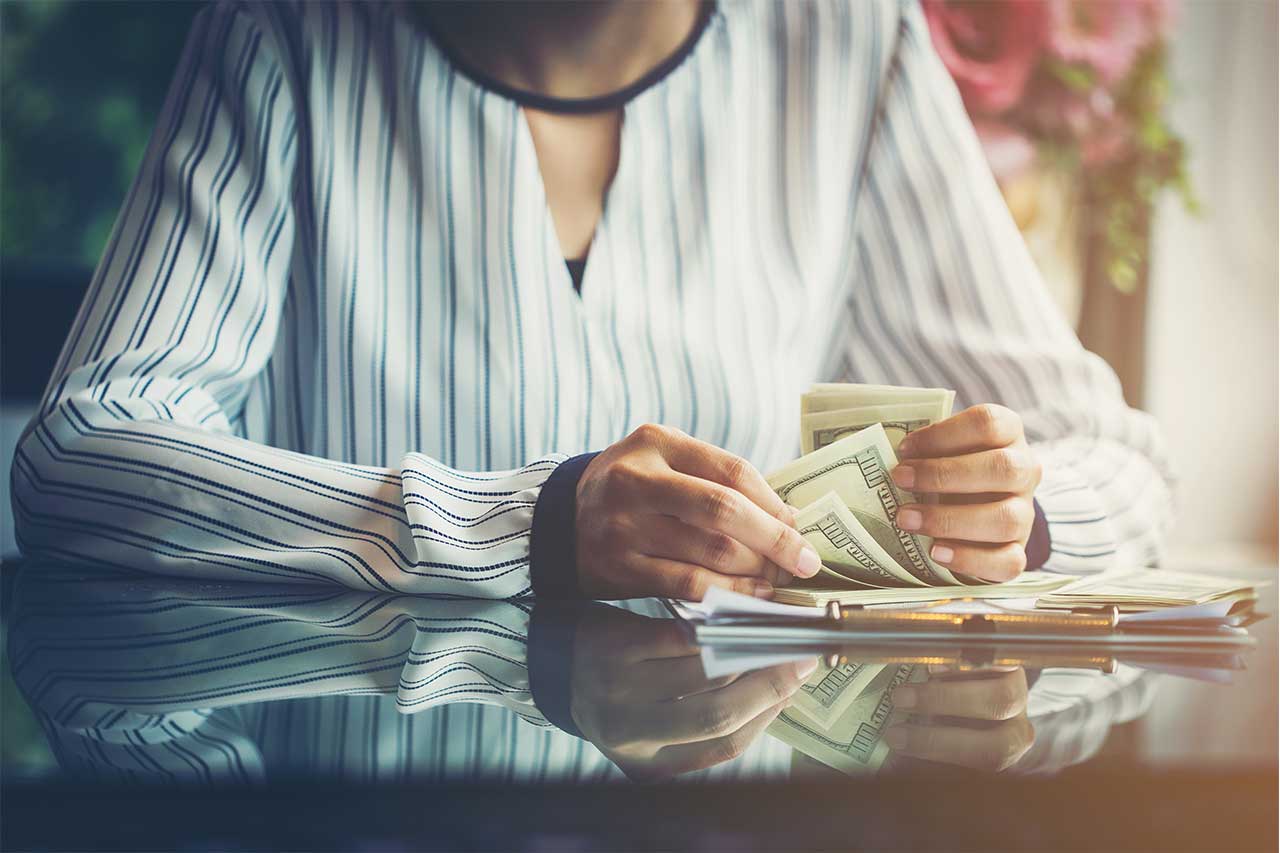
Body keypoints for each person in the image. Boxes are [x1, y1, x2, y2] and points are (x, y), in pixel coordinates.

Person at [12, 0, 1173, 602]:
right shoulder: (283, 36)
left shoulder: (847, 41)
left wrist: (1015, 518)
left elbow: (1124, 465)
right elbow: (78, 463)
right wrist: (530, 524)